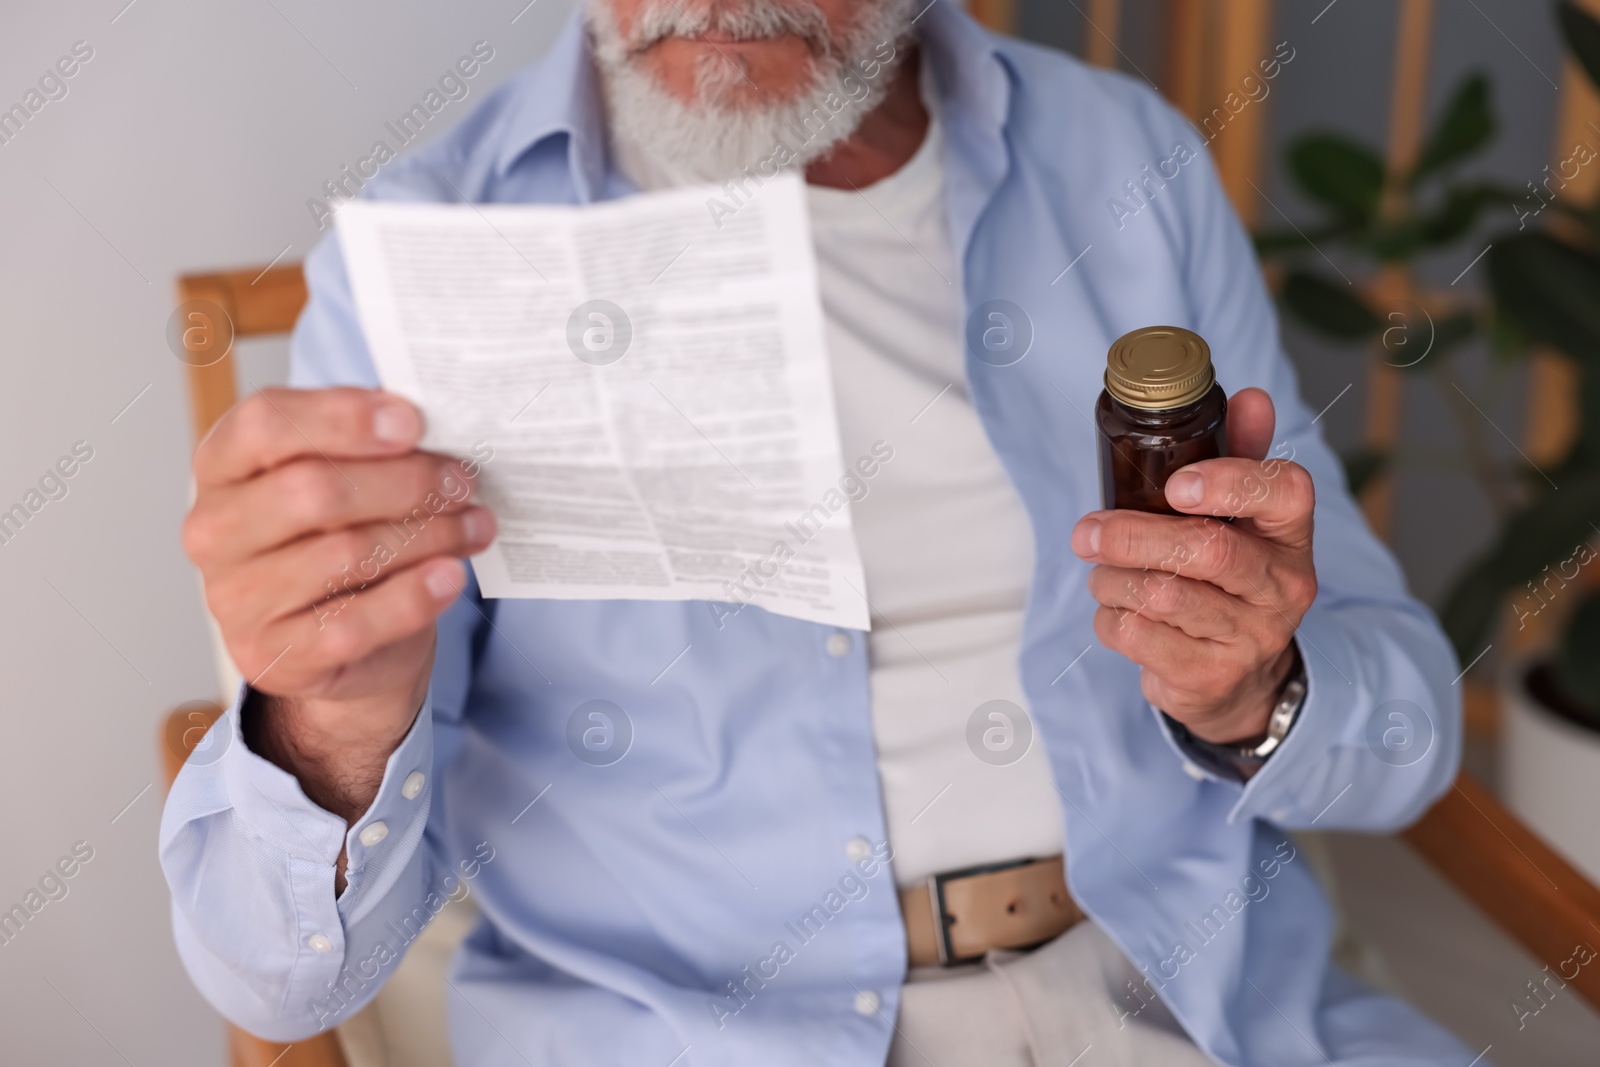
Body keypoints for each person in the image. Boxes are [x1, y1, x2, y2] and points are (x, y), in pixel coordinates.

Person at [161, 1, 1474, 1064]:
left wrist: (1260, 694)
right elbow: (275, 984)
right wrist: (327, 729)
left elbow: (1409, 736)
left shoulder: (1124, 159)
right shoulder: (433, 249)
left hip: (1191, 998)